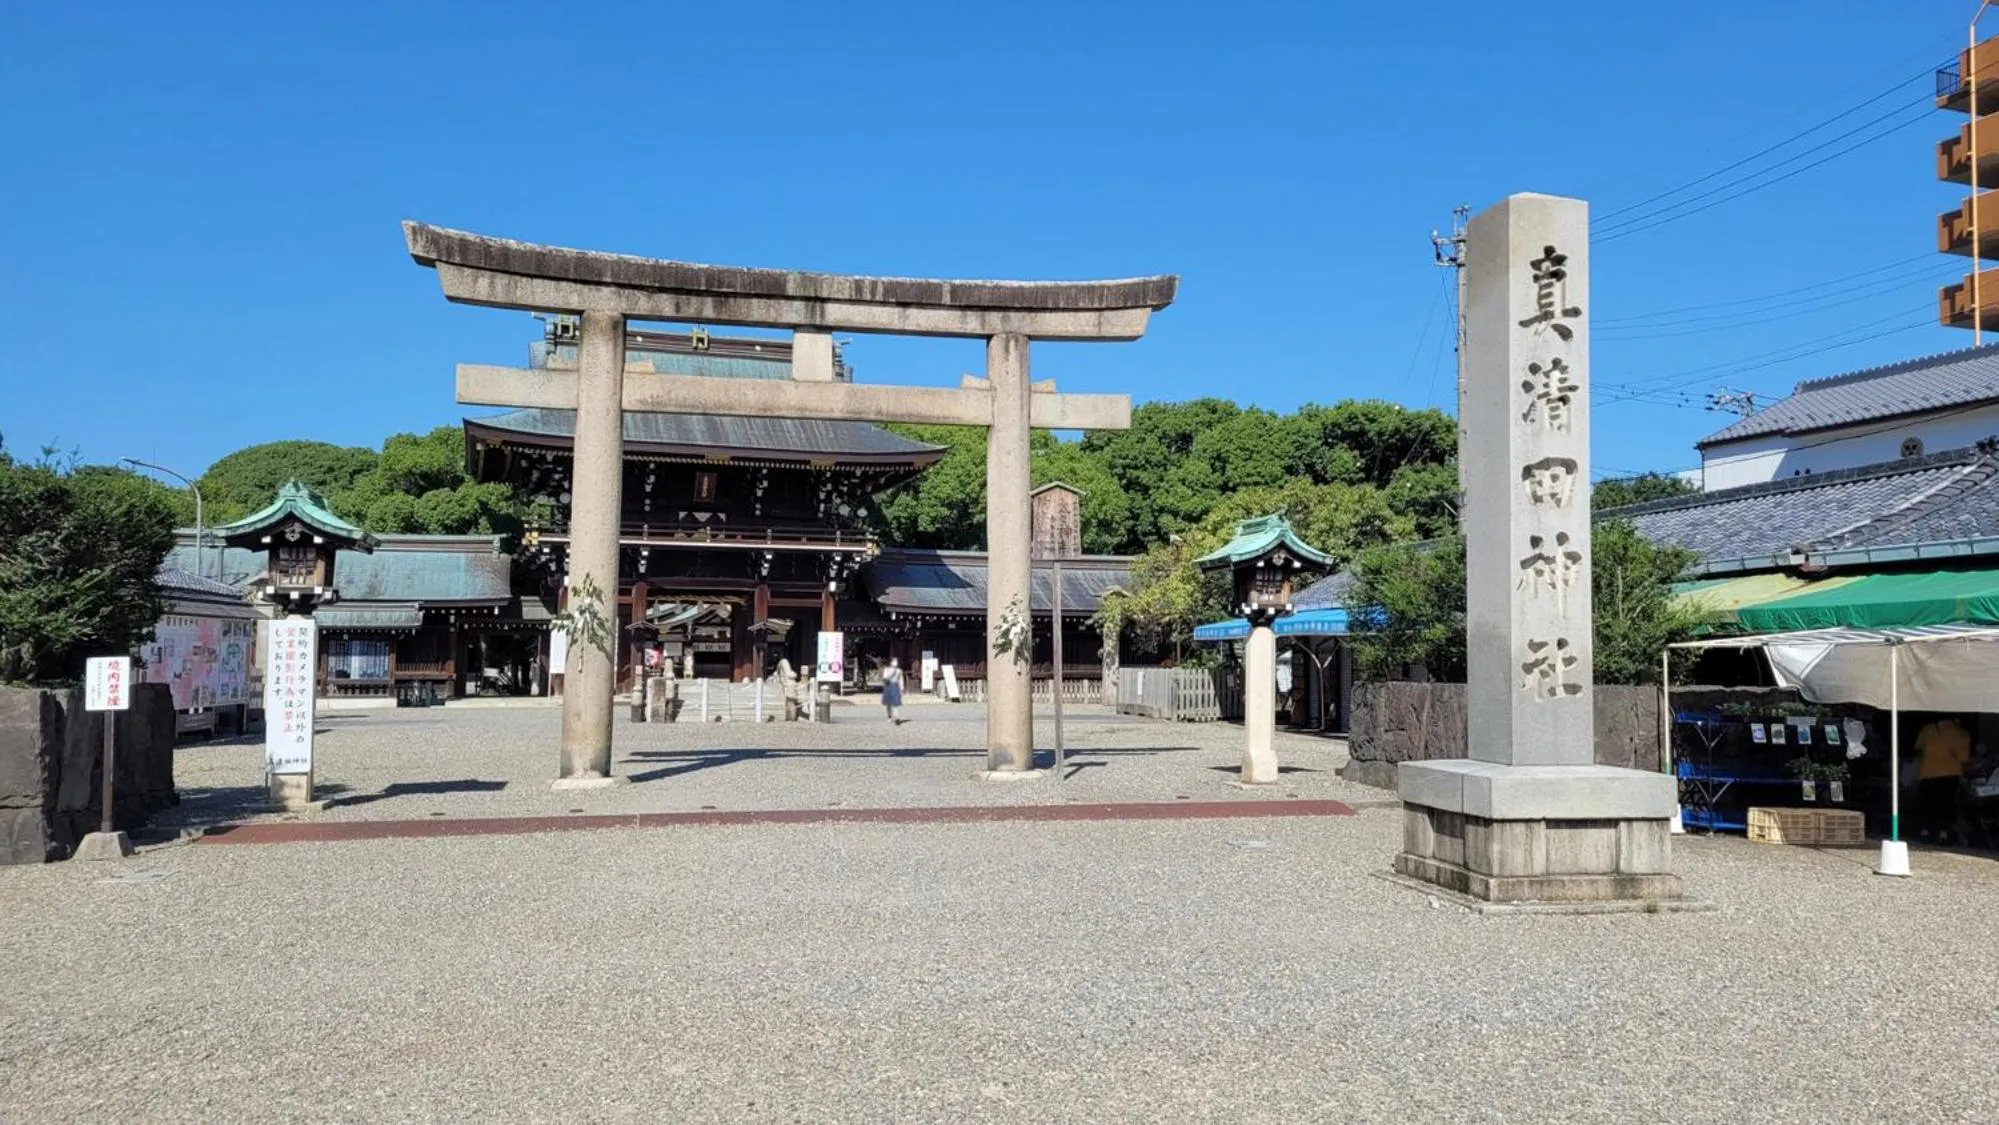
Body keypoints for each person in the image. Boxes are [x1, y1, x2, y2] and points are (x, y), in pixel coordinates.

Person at [1915, 717, 1972, 844]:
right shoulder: (1962, 734)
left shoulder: (1927, 730)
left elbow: (1918, 748)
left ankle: (1925, 832)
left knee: (1927, 804)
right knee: (1946, 805)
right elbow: (1964, 759)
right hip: (1951, 774)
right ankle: (1943, 834)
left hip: (1927, 773)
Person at [882, 656, 905, 725]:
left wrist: (902, 688)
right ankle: (889, 716)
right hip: (888, 686)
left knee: (895, 703)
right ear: (891, 662)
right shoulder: (887, 669)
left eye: (896, 661)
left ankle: (897, 717)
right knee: (888, 704)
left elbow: (901, 679)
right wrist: (890, 674)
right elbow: (885, 678)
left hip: (895, 686)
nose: (896, 662)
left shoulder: (899, 671)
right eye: (894, 661)